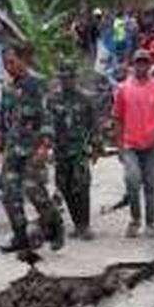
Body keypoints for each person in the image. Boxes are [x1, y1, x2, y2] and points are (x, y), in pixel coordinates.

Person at [0, 44, 64, 254]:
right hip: (13, 147)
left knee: (34, 190)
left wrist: (45, 145)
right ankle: (20, 236)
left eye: (12, 62)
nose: (9, 67)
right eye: (5, 64)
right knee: (9, 193)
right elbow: (5, 119)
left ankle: (54, 226)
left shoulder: (38, 83)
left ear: (22, 60)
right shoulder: (8, 88)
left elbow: (48, 115)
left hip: (33, 147)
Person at [112, 49, 154, 238]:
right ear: (133, 65)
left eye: (145, 63)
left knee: (150, 183)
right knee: (132, 180)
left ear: (149, 65)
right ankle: (135, 219)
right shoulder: (123, 89)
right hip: (129, 144)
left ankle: (151, 222)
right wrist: (119, 145)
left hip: (152, 145)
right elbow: (117, 118)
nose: (141, 66)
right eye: (138, 62)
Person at [48, 60, 102, 240]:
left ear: (75, 77)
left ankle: (84, 225)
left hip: (79, 149)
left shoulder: (86, 98)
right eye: (62, 77)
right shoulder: (53, 99)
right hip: (60, 150)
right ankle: (77, 223)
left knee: (81, 185)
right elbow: (47, 124)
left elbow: (94, 124)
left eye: (69, 77)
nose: (65, 81)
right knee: (64, 187)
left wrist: (96, 147)